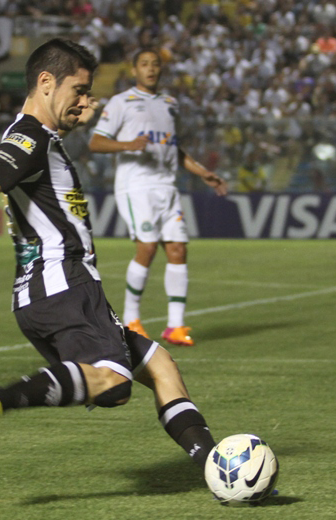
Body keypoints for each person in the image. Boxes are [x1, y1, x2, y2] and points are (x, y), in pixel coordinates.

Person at [0, 39, 217, 473]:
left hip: (57, 290)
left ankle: (212, 466)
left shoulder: (40, 135)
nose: (87, 101)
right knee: (114, 382)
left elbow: (53, 137)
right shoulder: (27, 140)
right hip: (63, 286)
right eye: (80, 91)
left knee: (162, 367)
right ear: (46, 82)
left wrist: (77, 117)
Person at [88, 48, 228, 347]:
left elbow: (172, 148)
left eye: (155, 64)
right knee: (148, 248)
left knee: (178, 249)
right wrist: (127, 145)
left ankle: (175, 326)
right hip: (136, 186)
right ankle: (131, 320)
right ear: (134, 70)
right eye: (144, 64)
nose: (150, 69)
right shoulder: (121, 102)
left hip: (167, 186)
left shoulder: (169, 104)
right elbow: (96, 142)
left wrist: (202, 172)